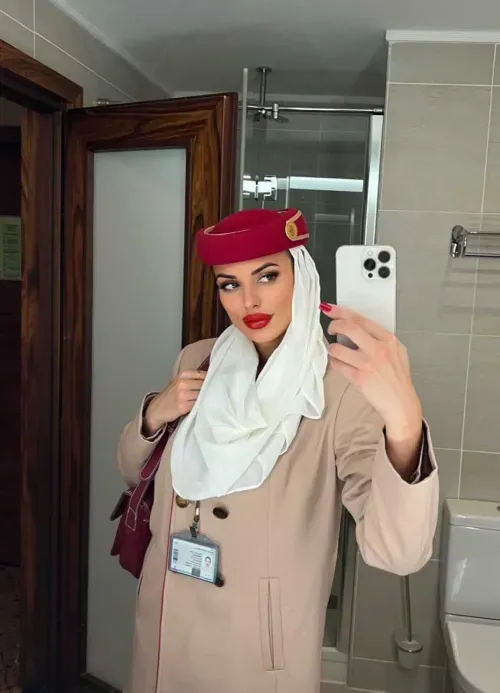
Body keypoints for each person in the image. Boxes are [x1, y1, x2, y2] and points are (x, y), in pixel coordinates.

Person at [118, 208, 439, 693]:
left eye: (267, 276)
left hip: (254, 652)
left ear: (301, 275)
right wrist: (154, 414)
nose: (248, 300)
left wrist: (405, 423)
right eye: (229, 284)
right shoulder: (199, 360)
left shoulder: (340, 388)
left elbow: (399, 553)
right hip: (165, 629)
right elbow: (132, 474)